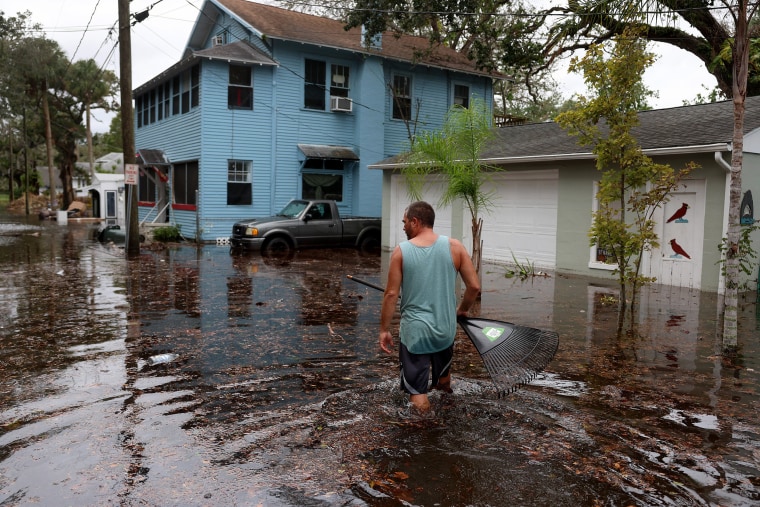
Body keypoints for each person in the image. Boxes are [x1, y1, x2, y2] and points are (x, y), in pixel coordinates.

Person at [379, 201, 481, 418]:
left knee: (417, 391)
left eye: (405, 222)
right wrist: (462, 310)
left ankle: (427, 432)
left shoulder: (401, 251)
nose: (404, 226)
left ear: (415, 222)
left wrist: (383, 329)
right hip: (446, 329)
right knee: (443, 380)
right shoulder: (456, 247)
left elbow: (390, 294)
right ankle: (448, 415)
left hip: (416, 334)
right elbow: (474, 287)